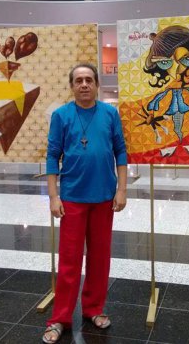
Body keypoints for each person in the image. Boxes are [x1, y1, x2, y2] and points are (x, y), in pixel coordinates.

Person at [43, 63, 127, 343]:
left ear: (97, 84)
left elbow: (121, 152)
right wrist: (53, 196)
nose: (84, 85)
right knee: (69, 260)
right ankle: (60, 318)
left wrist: (122, 190)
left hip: (104, 198)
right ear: (72, 86)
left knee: (100, 258)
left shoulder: (110, 114)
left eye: (89, 80)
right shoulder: (61, 115)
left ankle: (94, 308)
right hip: (72, 198)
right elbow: (52, 156)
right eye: (78, 80)